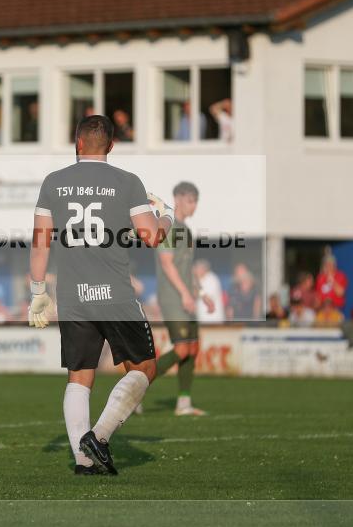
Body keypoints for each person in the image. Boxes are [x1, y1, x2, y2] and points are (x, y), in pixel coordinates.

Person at [27, 114, 173, 475]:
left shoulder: (53, 182)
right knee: (145, 367)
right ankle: (100, 436)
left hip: (74, 296)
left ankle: (83, 460)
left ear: (78, 143)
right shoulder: (127, 182)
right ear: (111, 146)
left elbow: (40, 241)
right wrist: (166, 214)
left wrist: (38, 291)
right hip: (115, 294)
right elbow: (151, 236)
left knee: (79, 375)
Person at [154, 181, 215, 416]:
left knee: (193, 347)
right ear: (178, 199)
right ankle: (135, 389)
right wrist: (184, 294)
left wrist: (201, 293)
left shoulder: (186, 231)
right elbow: (167, 264)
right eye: (191, 200)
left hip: (186, 297)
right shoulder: (168, 227)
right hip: (172, 297)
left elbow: (187, 270)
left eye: (196, 201)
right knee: (181, 349)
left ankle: (184, 403)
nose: (194, 206)